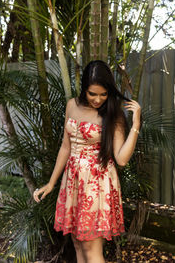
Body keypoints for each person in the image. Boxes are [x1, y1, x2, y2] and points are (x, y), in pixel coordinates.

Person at [33, 60, 141, 263]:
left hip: (97, 185)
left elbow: (122, 159)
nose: (98, 99)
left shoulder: (113, 115)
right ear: (84, 89)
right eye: (93, 94)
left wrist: (136, 125)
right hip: (72, 181)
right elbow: (66, 147)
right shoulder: (72, 106)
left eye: (103, 94)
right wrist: (52, 182)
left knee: (91, 250)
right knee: (78, 245)